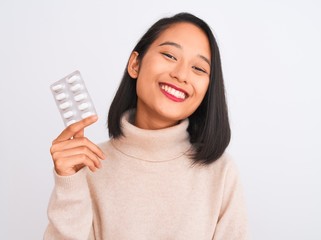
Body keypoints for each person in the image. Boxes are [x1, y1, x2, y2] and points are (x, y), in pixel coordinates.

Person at [44, 12, 248, 240]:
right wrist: (69, 183)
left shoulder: (221, 174)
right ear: (135, 64)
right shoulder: (89, 167)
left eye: (199, 69)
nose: (181, 75)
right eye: (170, 55)